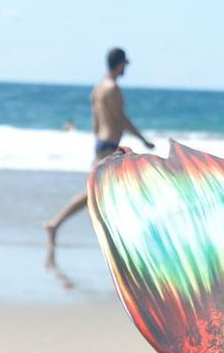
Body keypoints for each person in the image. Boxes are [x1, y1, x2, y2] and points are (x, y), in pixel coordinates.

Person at [42, 47, 156, 282]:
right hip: (109, 146)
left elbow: (96, 122)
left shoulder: (97, 88)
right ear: (120, 64)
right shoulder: (112, 89)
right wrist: (143, 139)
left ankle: (56, 224)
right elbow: (121, 119)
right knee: (111, 195)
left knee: (95, 196)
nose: (126, 68)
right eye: (125, 64)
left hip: (102, 144)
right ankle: (123, 247)